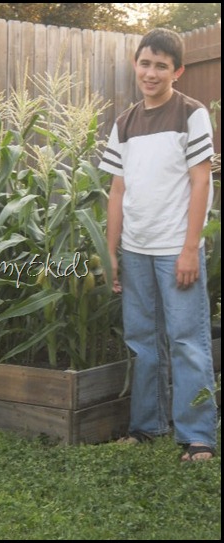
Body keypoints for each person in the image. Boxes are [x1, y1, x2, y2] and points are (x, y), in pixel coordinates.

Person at [99, 28, 217, 461]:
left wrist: (190, 248)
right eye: (145, 63)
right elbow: (116, 191)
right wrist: (111, 252)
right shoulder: (125, 123)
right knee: (141, 340)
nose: (151, 73)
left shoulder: (191, 113)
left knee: (187, 341)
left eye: (161, 66)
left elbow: (202, 181)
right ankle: (147, 426)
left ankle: (198, 435)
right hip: (135, 250)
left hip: (175, 249)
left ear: (178, 71)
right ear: (135, 64)